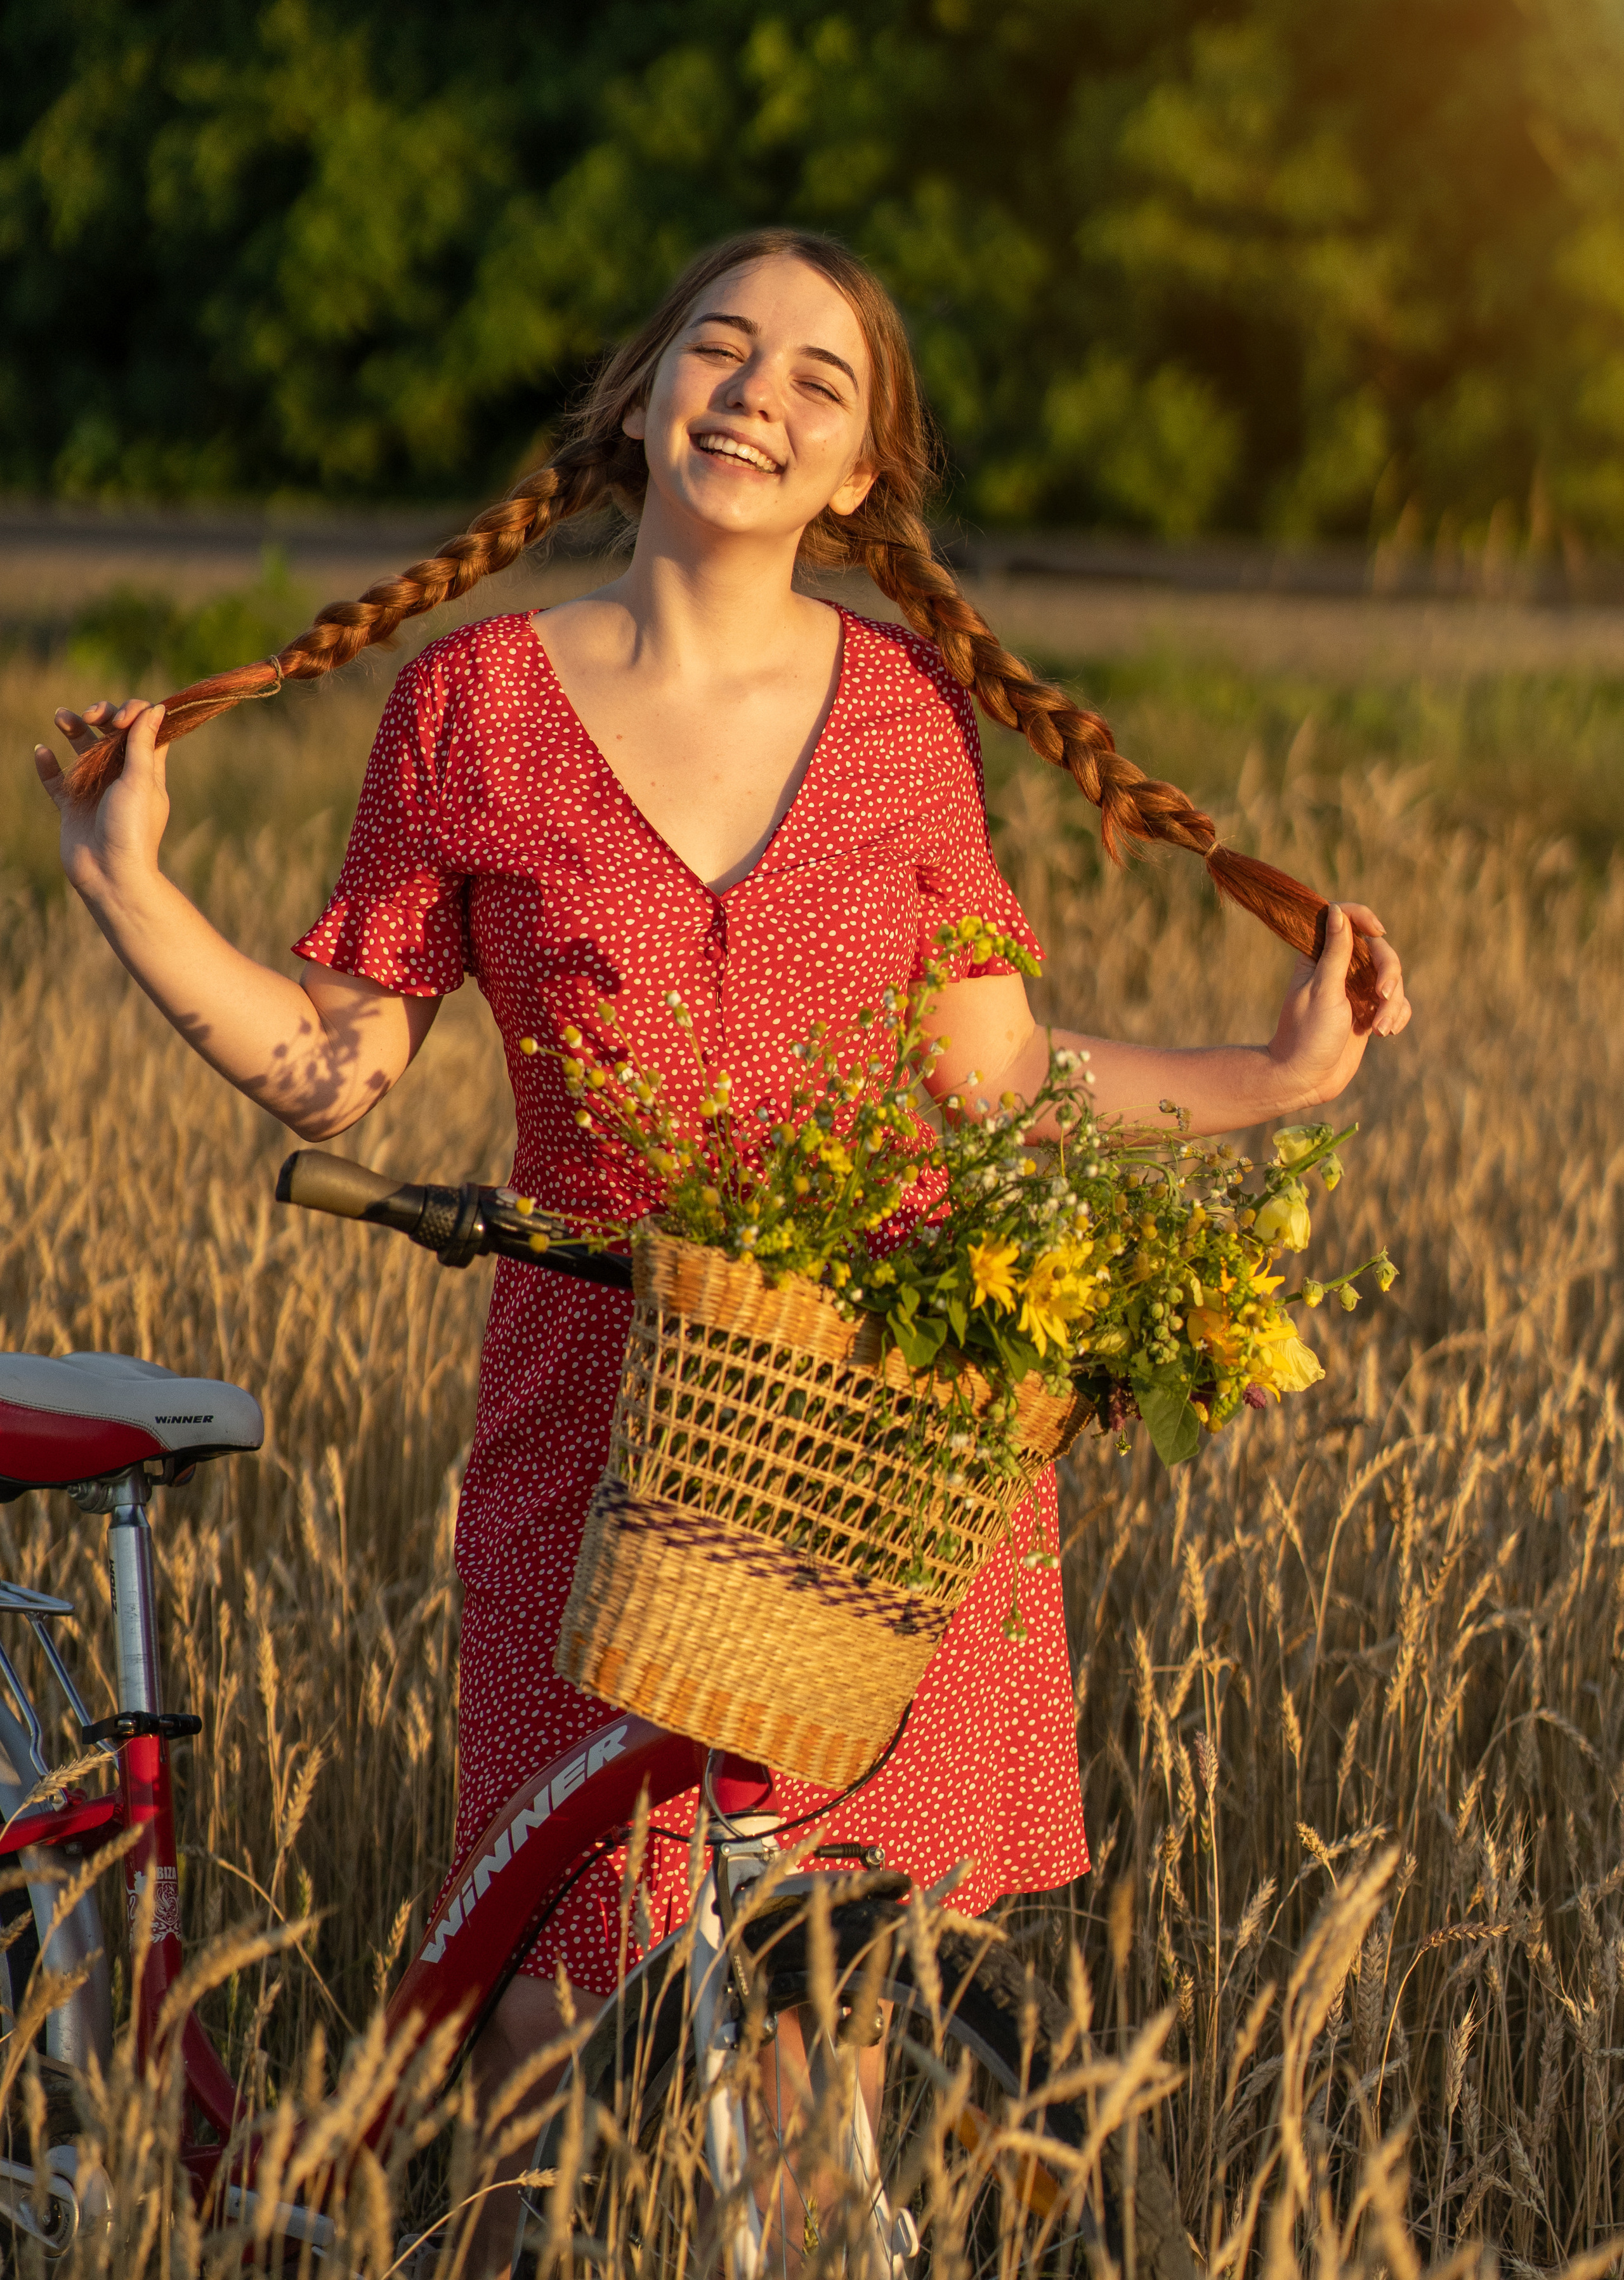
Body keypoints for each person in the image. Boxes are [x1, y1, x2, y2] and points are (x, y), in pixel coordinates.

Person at [37, 228, 1410, 2268]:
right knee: (545, 2001)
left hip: (874, 1421)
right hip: (600, 1414)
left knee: (819, 2021)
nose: (761, 393)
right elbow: (341, 1068)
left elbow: (995, 1080)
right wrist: (126, 885)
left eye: (820, 380)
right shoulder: (475, 705)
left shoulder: (901, 719)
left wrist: (1271, 1076)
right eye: (721, 348)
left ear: (860, 473)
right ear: (639, 397)